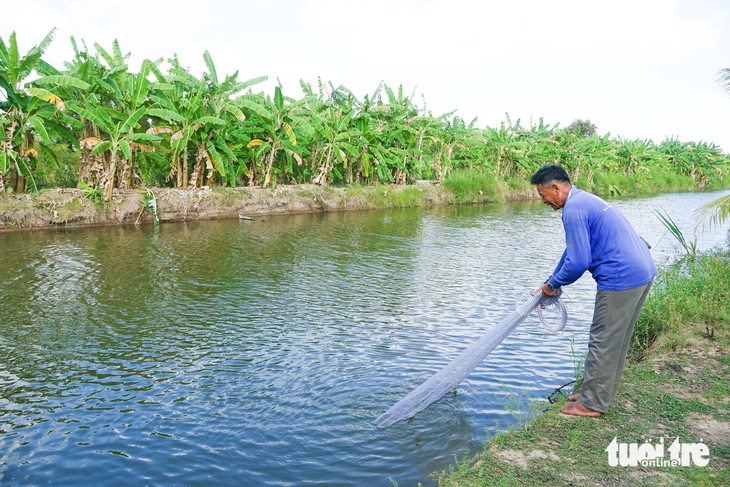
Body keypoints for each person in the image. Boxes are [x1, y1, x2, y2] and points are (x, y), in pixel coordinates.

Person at [530, 164, 657, 417]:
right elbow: (572, 252)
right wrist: (550, 281)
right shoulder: (585, 200)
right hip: (642, 272)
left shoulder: (573, 210)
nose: (544, 202)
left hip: (621, 278)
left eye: (543, 196)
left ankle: (592, 404)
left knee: (603, 340)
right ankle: (596, 394)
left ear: (555, 188)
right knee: (616, 341)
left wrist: (554, 285)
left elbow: (578, 262)